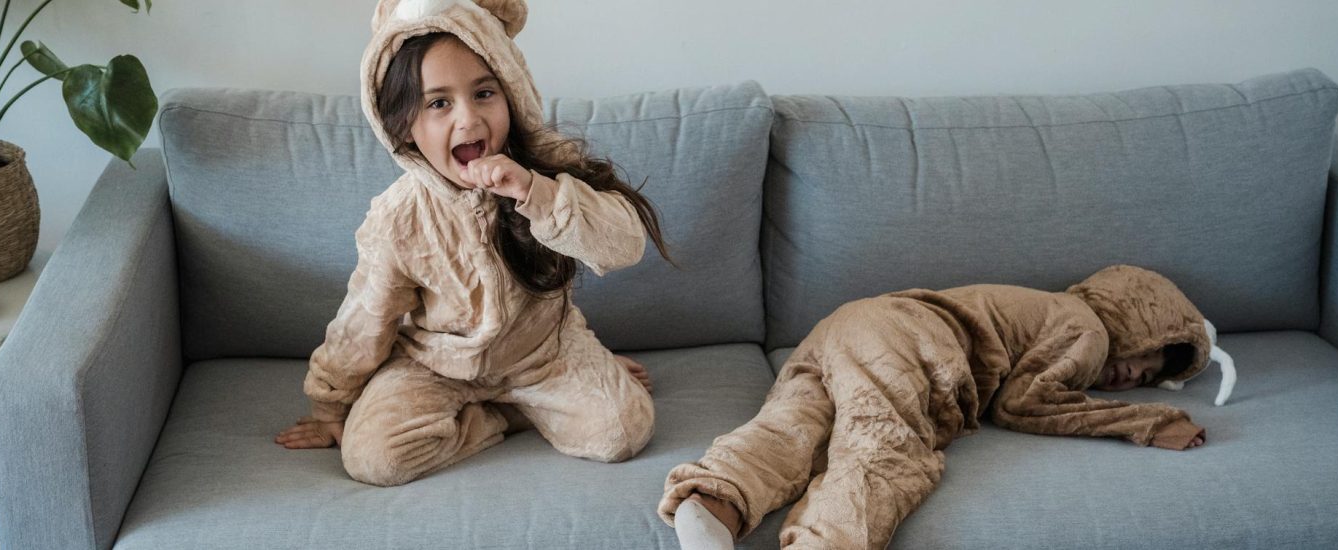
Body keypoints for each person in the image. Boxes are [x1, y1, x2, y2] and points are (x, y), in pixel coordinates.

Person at [274, 0, 670, 488]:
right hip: (434, 365)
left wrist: (534, 191)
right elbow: (365, 318)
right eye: (439, 103)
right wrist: (331, 403)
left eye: (484, 93)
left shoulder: (547, 168)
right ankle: (502, 417)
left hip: (543, 352)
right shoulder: (398, 217)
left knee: (623, 430)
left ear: (511, 93)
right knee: (374, 460)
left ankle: (535, 399)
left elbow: (623, 244)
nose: (468, 120)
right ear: (403, 127)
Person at [660, 265, 1236, 549]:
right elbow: (1024, 403)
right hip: (908, 337)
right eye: (1150, 359)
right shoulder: (1088, 330)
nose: (1134, 376)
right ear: (1139, 317)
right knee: (886, 446)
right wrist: (1146, 419)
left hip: (847, 325)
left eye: (1149, 382)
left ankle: (715, 503)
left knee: (795, 426)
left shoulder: (1049, 310)